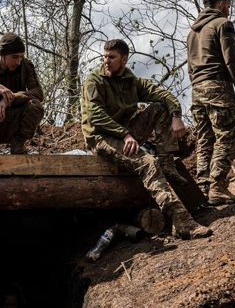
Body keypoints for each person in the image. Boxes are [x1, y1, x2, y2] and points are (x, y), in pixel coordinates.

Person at [81, 38, 211, 240]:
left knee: (160, 108)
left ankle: (167, 162)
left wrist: (176, 117)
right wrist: (126, 135)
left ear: (124, 59)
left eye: (112, 57)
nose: (106, 61)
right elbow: (96, 117)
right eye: (105, 56)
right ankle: (181, 219)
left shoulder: (131, 82)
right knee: (148, 164)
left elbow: (163, 95)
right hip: (102, 136)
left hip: (126, 132)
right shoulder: (94, 81)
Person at [187, 0, 235, 204]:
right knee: (228, 135)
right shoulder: (223, 24)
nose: (229, 10)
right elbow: (232, 61)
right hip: (218, 86)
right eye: (229, 6)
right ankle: (218, 186)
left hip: (197, 90)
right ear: (222, 4)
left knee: (205, 138)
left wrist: (197, 86)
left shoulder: (192, 32)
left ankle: (203, 187)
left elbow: (190, 68)